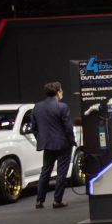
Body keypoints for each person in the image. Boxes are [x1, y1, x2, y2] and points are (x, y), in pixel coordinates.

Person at [32, 81, 76, 209]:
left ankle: (39, 201)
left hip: (47, 145)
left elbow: (34, 128)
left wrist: (41, 139)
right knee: (61, 173)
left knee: (45, 171)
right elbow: (68, 127)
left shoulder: (37, 107)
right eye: (61, 90)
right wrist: (72, 140)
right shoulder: (63, 107)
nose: (62, 93)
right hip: (63, 144)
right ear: (57, 92)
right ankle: (57, 201)